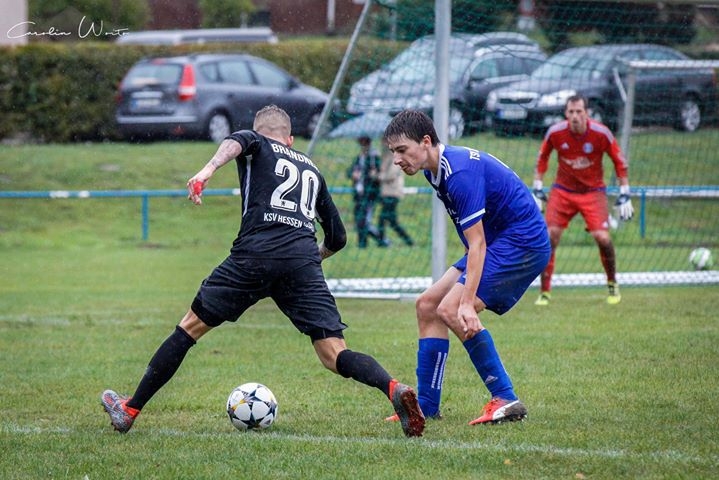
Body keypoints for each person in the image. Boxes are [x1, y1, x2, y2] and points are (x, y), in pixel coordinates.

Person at [100, 105, 425, 438]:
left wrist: (207, 170)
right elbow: (338, 237)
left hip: (255, 255)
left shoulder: (254, 142)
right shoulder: (312, 168)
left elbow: (237, 141)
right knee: (334, 353)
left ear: (259, 132)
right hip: (302, 262)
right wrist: (308, 260)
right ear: (290, 139)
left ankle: (129, 409)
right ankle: (393, 387)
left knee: (189, 329)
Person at [383, 109, 550, 425]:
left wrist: (467, 303)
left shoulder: (458, 174)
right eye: (393, 152)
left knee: (452, 309)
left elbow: (477, 243)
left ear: (426, 141)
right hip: (497, 240)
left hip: (522, 242)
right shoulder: (435, 171)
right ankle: (426, 406)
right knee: (427, 305)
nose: (396, 160)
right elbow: (473, 237)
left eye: (402, 150)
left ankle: (505, 398)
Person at [532, 94, 633, 306]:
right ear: (565, 113)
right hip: (563, 191)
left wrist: (625, 192)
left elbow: (619, 161)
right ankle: (544, 292)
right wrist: (538, 187)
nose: (575, 116)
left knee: (602, 238)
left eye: (579, 111)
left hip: (593, 192)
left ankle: (612, 283)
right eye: (571, 112)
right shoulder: (555, 133)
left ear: (587, 113)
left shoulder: (601, 133)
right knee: (549, 237)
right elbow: (542, 158)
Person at [346, 135, 383, 248]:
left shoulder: (374, 158)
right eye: (361, 143)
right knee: (359, 220)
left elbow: (380, 174)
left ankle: (380, 239)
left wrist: (375, 174)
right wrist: (353, 174)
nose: (363, 146)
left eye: (365, 143)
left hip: (369, 195)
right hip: (358, 195)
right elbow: (349, 171)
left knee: (364, 221)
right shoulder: (359, 158)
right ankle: (362, 243)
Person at [377, 144, 414, 247]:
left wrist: (378, 176)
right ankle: (408, 241)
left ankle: (382, 241)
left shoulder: (395, 157)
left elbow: (391, 175)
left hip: (392, 193)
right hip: (387, 193)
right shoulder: (386, 156)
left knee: (384, 219)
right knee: (390, 220)